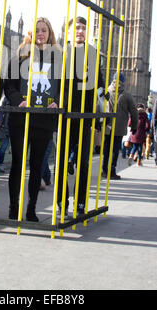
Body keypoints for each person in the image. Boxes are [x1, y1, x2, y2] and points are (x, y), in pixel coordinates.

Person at [4, 17, 61, 222]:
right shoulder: (20, 56)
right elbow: (8, 85)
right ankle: (13, 207)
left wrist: (56, 100)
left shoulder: (57, 59)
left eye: (44, 30)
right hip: (21, 118)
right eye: (36, 30)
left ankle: (31, 208)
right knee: (18, 164)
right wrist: (18, 100)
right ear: (30, 33)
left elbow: (62, 88)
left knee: (37, 165)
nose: (40, 34)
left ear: (50, 33)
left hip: (43, 120)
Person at [57, 16, 105, 217]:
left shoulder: (92, 54)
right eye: (76, 28)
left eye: (83, 28)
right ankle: (62, 203)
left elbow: (100, 84)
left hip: (85, 116)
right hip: (64, 114)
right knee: (60, 161)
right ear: (68, 31)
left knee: (84, 163)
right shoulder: (60, 53)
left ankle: (80, 202)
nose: (80, 31)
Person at [102, 72, 138, 180]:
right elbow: (134, 112)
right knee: (115, 149)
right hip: (119, 127)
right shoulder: (126, 95)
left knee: (107, 149)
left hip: (107, 126)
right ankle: (112, 171)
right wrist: (134, 126)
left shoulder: (106, 91)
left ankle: (104, 170)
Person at [0, 95, 10, 173]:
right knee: (3, 148)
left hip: (15, 127)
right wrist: (1, 123)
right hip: (6, 127)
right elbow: (0, 110)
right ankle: (0, 163)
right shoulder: (5, 97)